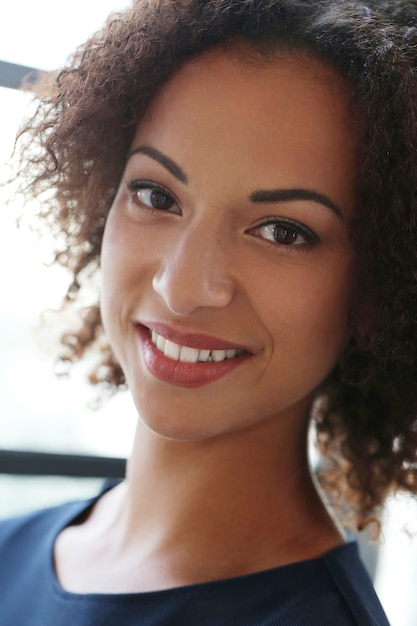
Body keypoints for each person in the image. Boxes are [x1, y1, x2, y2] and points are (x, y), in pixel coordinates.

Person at [1, 0, 416, 623]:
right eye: (155, 194)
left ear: (377, 293)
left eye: (282, 231)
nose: (181, 286)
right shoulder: (13, 547)